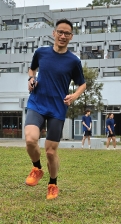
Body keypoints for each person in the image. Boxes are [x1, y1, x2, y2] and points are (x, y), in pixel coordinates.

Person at [24, 19, 86, 200]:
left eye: (67, 33)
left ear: (71, 37)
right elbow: (32, 69)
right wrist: (30, 79)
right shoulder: (41, 53)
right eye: (60, 32)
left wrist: (74, 96)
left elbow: (82, 84)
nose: (63, 36)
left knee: (51, 151)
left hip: (57, 108)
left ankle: (53, 183)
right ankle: (37, 168)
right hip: (37, 102)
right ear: (54, 33)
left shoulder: (73, 61)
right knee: (30, 139)